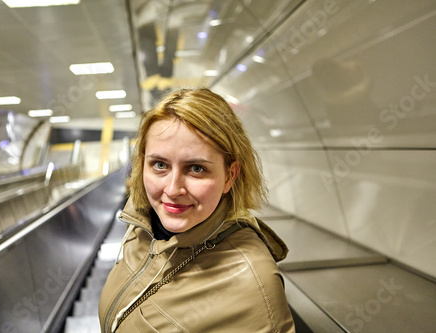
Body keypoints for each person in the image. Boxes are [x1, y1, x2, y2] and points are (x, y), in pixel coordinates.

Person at [99, 88, 295, 332]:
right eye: (159, 165)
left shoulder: (253, 288)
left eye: (196, 169)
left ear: (229, 176)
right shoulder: (141, 225)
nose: (172, 189)